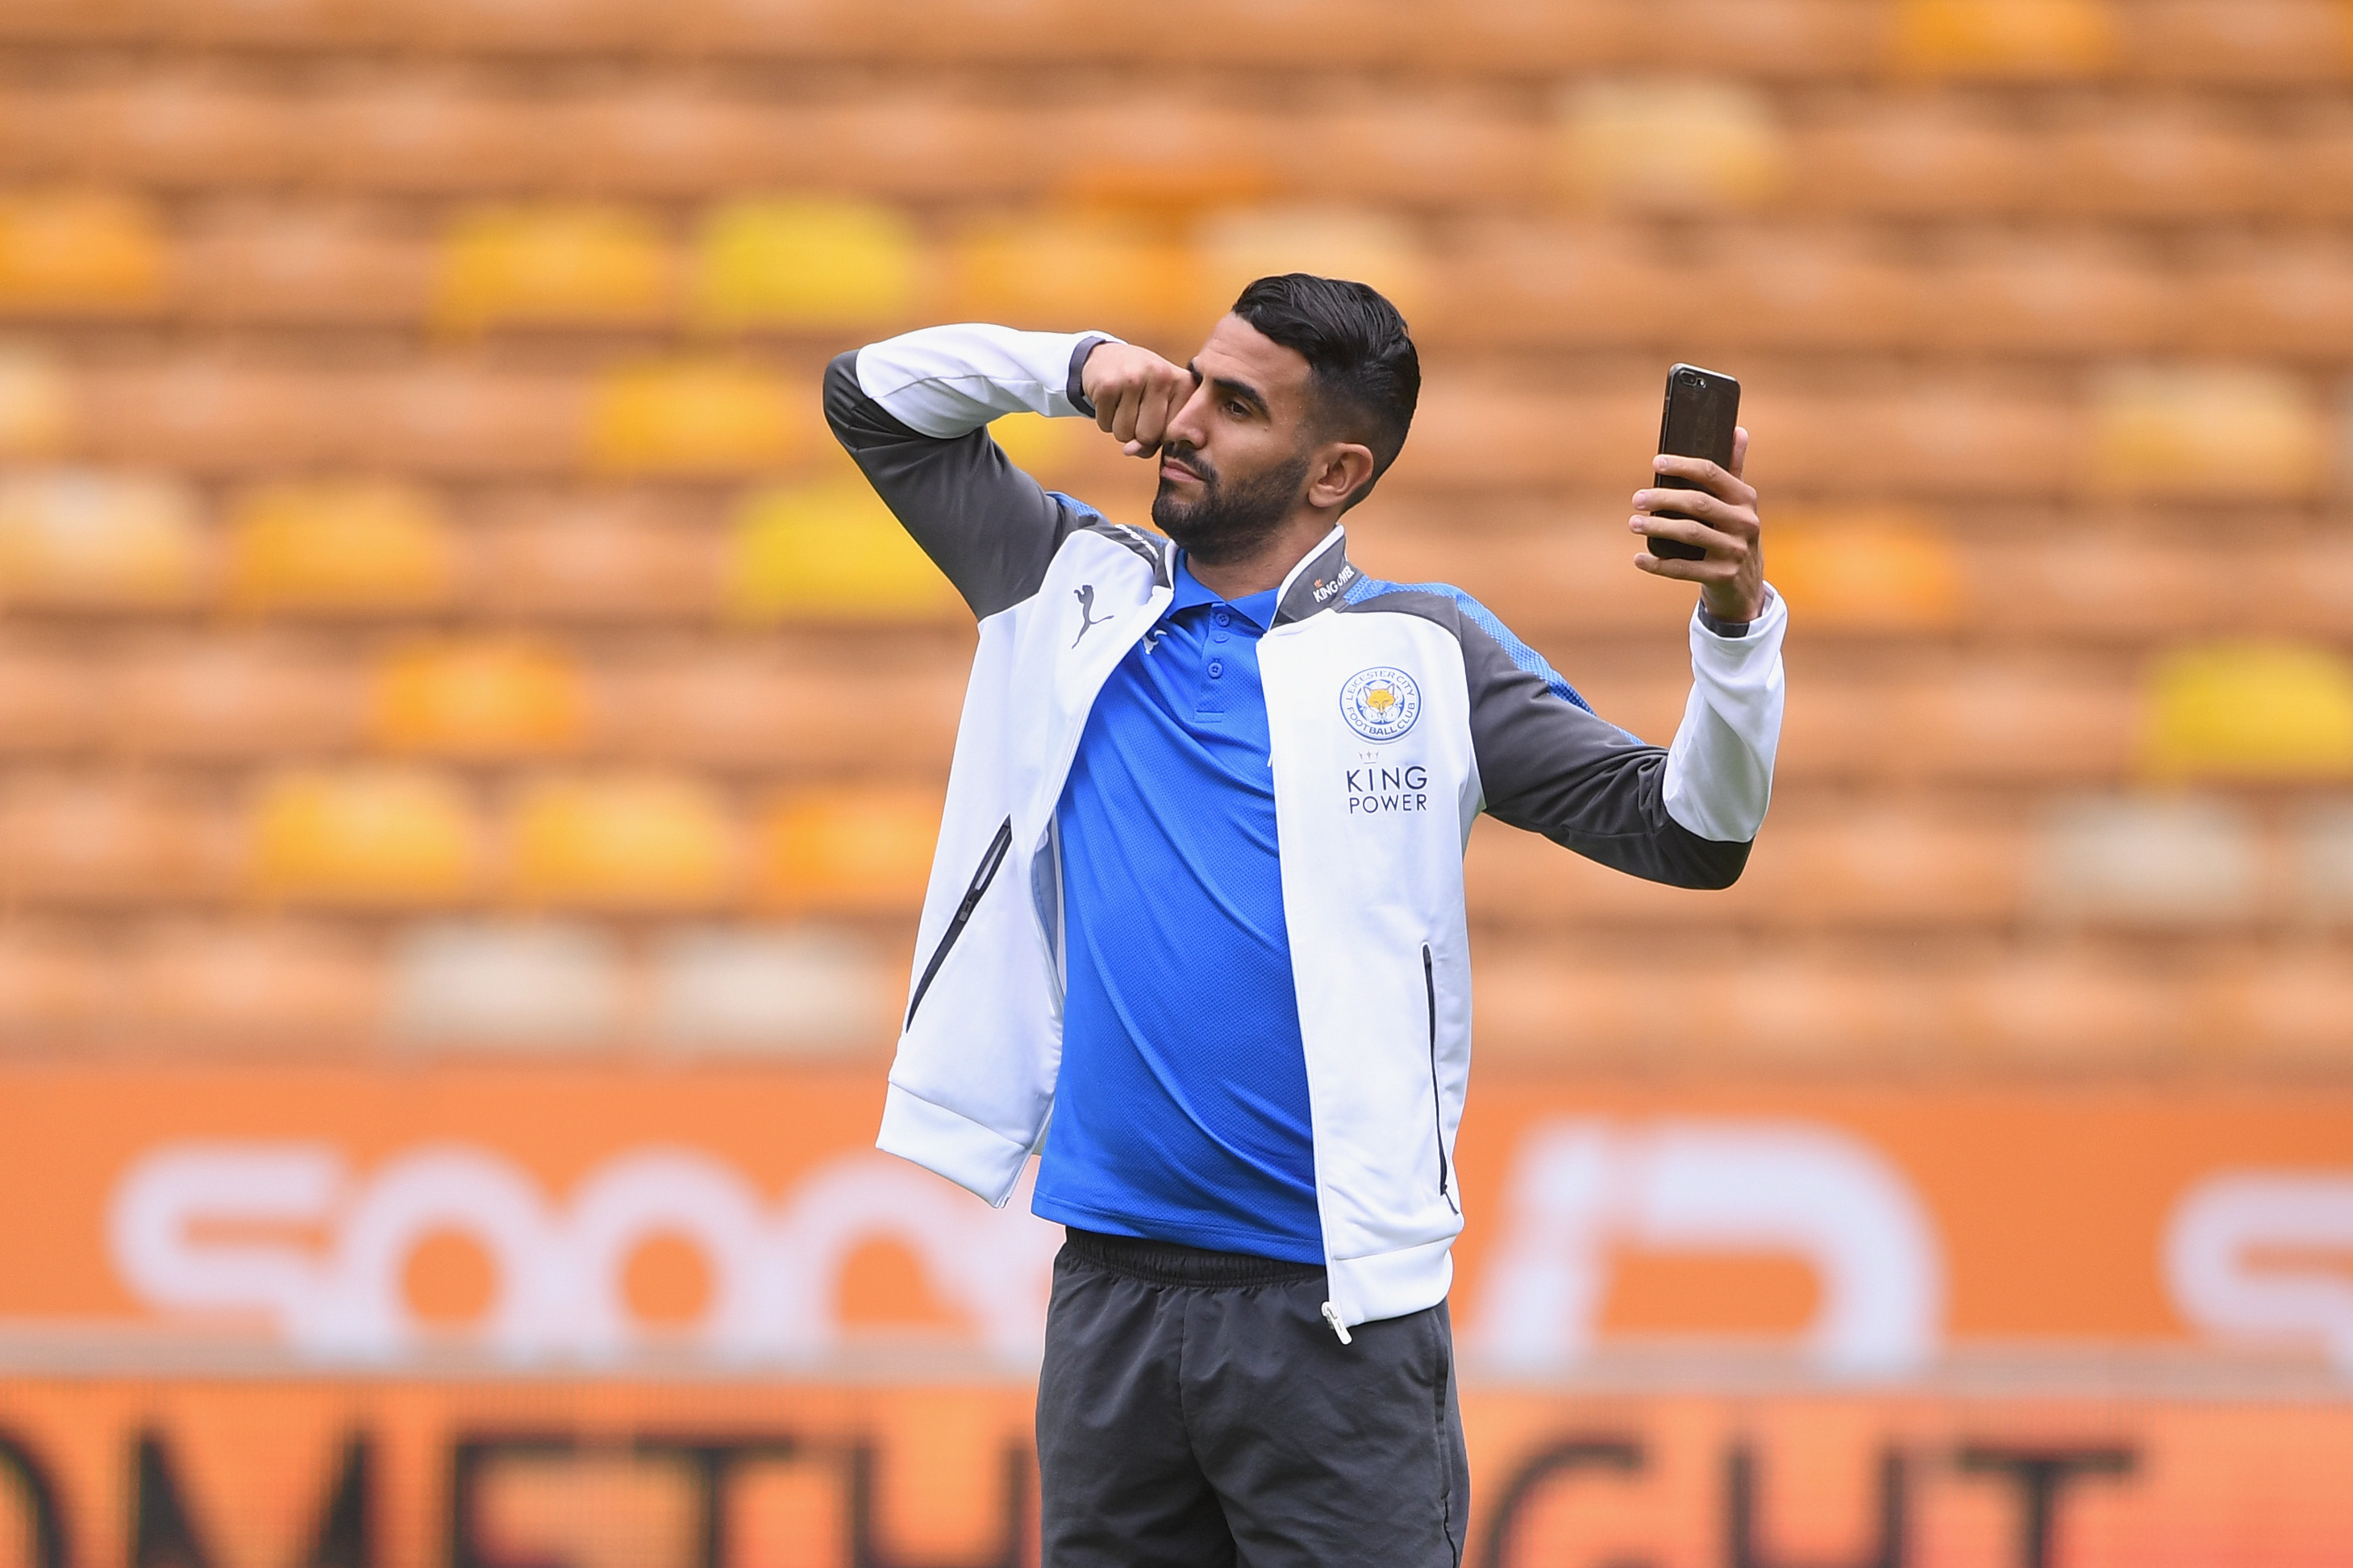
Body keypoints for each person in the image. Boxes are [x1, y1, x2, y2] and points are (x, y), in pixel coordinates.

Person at [824, 273, 1784, 1567]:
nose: (1182, 417)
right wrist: (1076, 361)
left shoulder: (1428, 649)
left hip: (1335, 1319)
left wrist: (1732, 625)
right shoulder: (1064, 580)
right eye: (1193, 375)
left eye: (1234, 404)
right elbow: (871, 402)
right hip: (1109, 1293)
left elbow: (1691, 834)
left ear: (1333, 471)